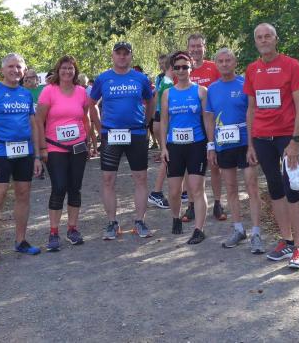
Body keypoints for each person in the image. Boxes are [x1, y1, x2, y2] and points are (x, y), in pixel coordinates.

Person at [244, 23, 299, 270]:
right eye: (259, 37)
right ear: (256, 42)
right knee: (275, 189)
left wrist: (294, 141)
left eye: (267, 36)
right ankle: (287, 241)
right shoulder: (252, 69)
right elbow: (251, 108)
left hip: (286, 137)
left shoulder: (291, 65)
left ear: (275, 39)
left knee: (293, 188)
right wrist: (250, 144)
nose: (263, 40)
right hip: (262, 138)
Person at [0, 53, 43, 267]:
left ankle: (20, 240)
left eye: (19, 67)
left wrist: (37, 156)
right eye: (11, 67)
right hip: (0, 151)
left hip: (25, 152)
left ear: (24, 70)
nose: (15, 70)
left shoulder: (26, 94)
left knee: (23, 194)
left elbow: (33, 126)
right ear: (3, 70)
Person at [88, 41, 155, 240]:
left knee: (140, 178)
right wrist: (99, 128)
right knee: (108, 179)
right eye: (119, 53)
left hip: (136, 133)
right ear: (113, 56)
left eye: (126, 53)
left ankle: (140, 221)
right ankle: (112, 223)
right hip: (111, 135)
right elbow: (92, 104)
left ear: (131, 56)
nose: (122, 56)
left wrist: (146, 122)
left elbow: (150, 100)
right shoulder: (103, 78)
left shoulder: (140, 78)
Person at [205, 48, 264, 253]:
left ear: (235, 62)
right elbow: (209, 118)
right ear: (216, 64)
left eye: (228, 60)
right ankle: (238, 229)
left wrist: (252, 145)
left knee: (252, 186)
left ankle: (256, 233)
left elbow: (253, 112)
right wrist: (211, 146)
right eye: (220, 61)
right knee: (230, 188)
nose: (224, 64)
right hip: (223, 144)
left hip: (245, 143)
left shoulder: (245, 84)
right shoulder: (212, 89)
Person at [36, 55, 93, 251]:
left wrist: (89, 142)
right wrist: (42, 148)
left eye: (71, 68)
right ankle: (53, 232)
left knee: (75, 188)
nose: (67, 71)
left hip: (78, 146)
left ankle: (72, 229)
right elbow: (39, 120)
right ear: (58, 70)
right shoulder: (48, 91)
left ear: (75, 71)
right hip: (54, 146)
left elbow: (85, 118)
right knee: (59, 187)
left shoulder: (81, 92)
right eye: (64, 68)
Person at [160, 51, 210, 244]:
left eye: (185, 67)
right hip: (174, 146)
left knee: (197, 189)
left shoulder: (201, 91)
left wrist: (211, 144)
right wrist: (163, 147)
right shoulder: (167, 93)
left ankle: (199, 229)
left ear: (191, 69)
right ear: (173, 70)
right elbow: (164, 122)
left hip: (196, 145)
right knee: (174, 191)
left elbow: (208, 120)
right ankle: (176, 217)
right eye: (177, 67)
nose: (181, 70)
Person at [184, 33, 226, 222]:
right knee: (190, 167)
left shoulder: (213, 67)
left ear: (204, 48)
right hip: (190, 123)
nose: (195, 49)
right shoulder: (183, 68)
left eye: (198, 46)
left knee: (215, 164)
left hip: (213, 122)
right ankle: (191, 204)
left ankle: (217, 203)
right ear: (188, 48)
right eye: (192, 46)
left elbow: (222, 89)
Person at [148, 53, 173, 209]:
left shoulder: (166, 80)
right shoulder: (167, 82)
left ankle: (184, 191)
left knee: (172, 158)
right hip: (169, 123)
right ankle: (156, 192)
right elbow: (162, 103)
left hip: (167, 122)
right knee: (168, 157)